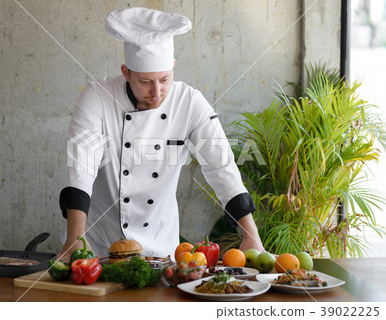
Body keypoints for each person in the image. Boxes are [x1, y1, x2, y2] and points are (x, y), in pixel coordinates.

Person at [58, 7, 264, 260]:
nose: (157, 91)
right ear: (126, 72)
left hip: (161, 250)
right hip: (98, 247)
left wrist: (251, 235)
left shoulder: (189, 102)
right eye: (145, 82)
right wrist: (74, 241)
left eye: (165, 79)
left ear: (174, 67)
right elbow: (81, 170)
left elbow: (222, 168)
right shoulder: (97, 97)